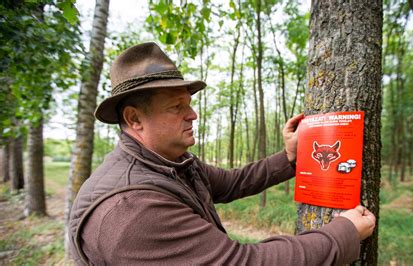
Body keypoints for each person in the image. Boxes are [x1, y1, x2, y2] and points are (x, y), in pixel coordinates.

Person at [68, 42, 376, 265]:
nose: (193, 115)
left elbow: (232, 182)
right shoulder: (132, 208)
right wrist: (343, 233)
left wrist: (289, 158)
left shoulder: (172, 164)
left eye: (188, 103)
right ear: (135, 119)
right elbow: (241, 261)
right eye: (177, 107)